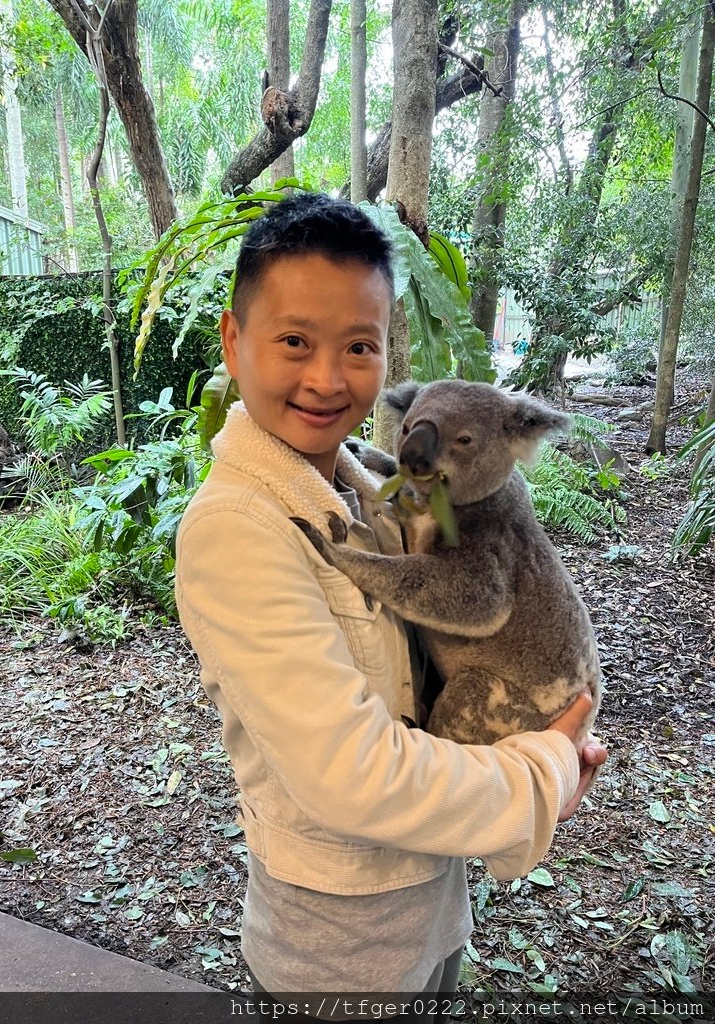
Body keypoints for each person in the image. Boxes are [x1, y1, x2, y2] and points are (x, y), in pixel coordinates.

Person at [175, 193, 606, 1022]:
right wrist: (546, 773)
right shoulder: (236, 530)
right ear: (234, 341)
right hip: (337, 953)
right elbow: (352, 776)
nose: (328, 378)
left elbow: (478, 570)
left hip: (430, 907)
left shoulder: (361, 480)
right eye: (294, 341)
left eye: (359, 347)